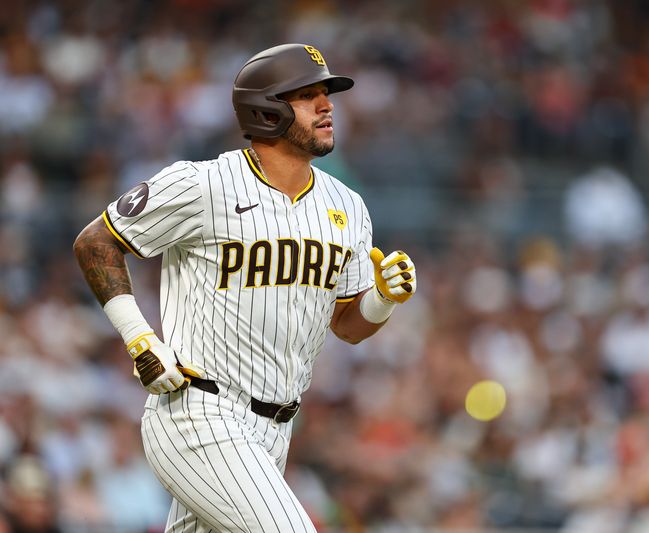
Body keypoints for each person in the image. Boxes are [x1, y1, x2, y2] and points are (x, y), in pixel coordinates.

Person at [73, 43, 417, 532]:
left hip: (275, 431)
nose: (327, 105)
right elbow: (96, 242)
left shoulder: (348, 206)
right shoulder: (203, 184)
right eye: (307, 94)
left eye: (327, 93)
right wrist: (139, 338)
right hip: (199, 412)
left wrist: (382, 300)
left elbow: (348, 326)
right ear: (266, 110)